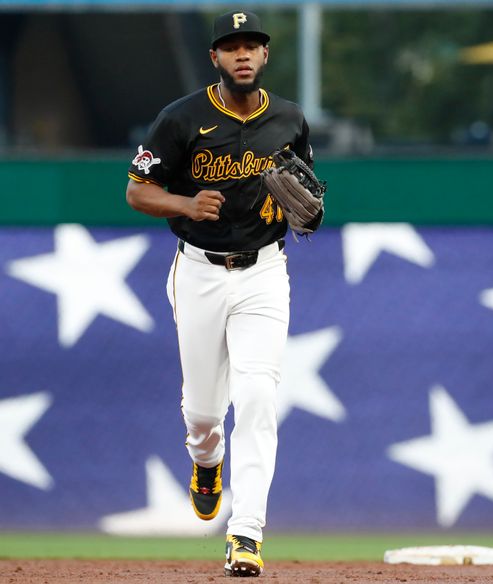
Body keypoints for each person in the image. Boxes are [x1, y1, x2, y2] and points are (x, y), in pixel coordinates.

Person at [125, 9, 322, 577]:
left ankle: (247, 534)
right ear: (215, 57)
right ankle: (206, 459)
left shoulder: (289, 118)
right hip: (200, 272)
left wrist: (305, 213)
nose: (242, 54)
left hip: (263, 271)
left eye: (251, 45)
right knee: (203, 412)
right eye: (230, 46)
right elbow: (137, 191)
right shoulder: (181, 118)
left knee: (259, 396)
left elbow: (305, 190)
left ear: (264, 56)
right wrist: (186, 204)